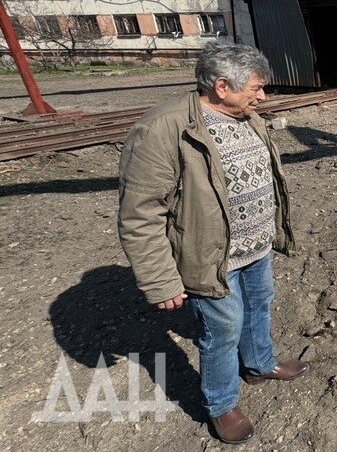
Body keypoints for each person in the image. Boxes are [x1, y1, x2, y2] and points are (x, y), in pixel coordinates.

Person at [117, 41, 307, 444]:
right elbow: (141, 213)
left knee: (258, 305)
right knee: (222, 329)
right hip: (209, 257)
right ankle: (221, 405)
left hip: (255, 247)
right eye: (256, 88)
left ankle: (258, 364)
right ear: (222, 86)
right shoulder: (163, 129)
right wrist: (161, 281)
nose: (263, 96)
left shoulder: (246, 116)